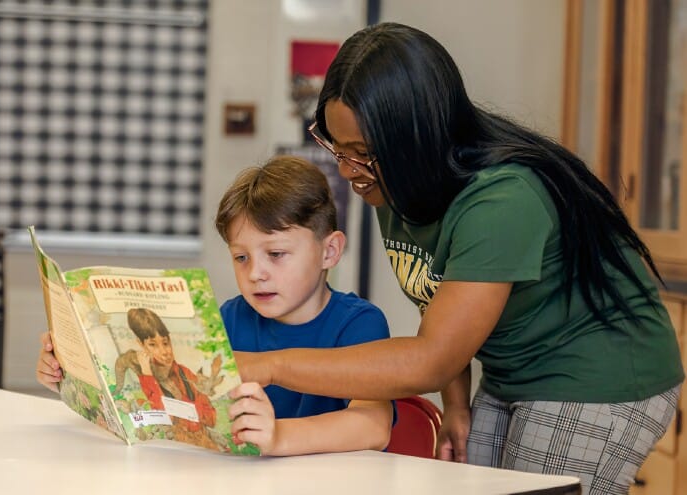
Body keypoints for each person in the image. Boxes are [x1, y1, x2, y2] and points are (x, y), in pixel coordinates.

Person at [230, 22, 684, 494]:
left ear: (415, 141)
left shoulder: (503, 199)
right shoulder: (393, 187)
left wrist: (268, 364)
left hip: (597, 372)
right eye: (336, 148)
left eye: (363, 154)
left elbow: (429, 358)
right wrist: (458, 404)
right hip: (511, 371)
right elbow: (439, 300)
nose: (347, 172)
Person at [37, 155, 394, 457]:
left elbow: (374, 425)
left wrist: (279, 436)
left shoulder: (360, 325)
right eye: (241, 257)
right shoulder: (225, 320)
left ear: (329, 251)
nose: (255, 273)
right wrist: (75, 376)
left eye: (276, 254)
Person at [119, 307, 220, 450]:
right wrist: (147, 374)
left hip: (202, 444)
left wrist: (192, 411)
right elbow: (161, 416)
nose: (164, 352)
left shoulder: (185, 373)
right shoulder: (144, 378)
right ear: (141, 345)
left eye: (165, 343)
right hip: (169, 449)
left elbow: (211, 416)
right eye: (153, 345)